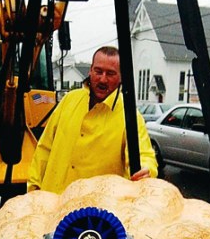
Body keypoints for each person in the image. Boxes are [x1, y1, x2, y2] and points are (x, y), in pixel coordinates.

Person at [28, 45, 158, 193]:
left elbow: (144, 155)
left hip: (94, 211)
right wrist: (33, 187)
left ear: (121, 76)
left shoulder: (129, 115)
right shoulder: (69, 100)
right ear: (90, 70)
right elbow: (44, 148)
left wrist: (146, 170)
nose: (103, 79)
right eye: (98, 71)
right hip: (52, 201)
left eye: (110, 73)